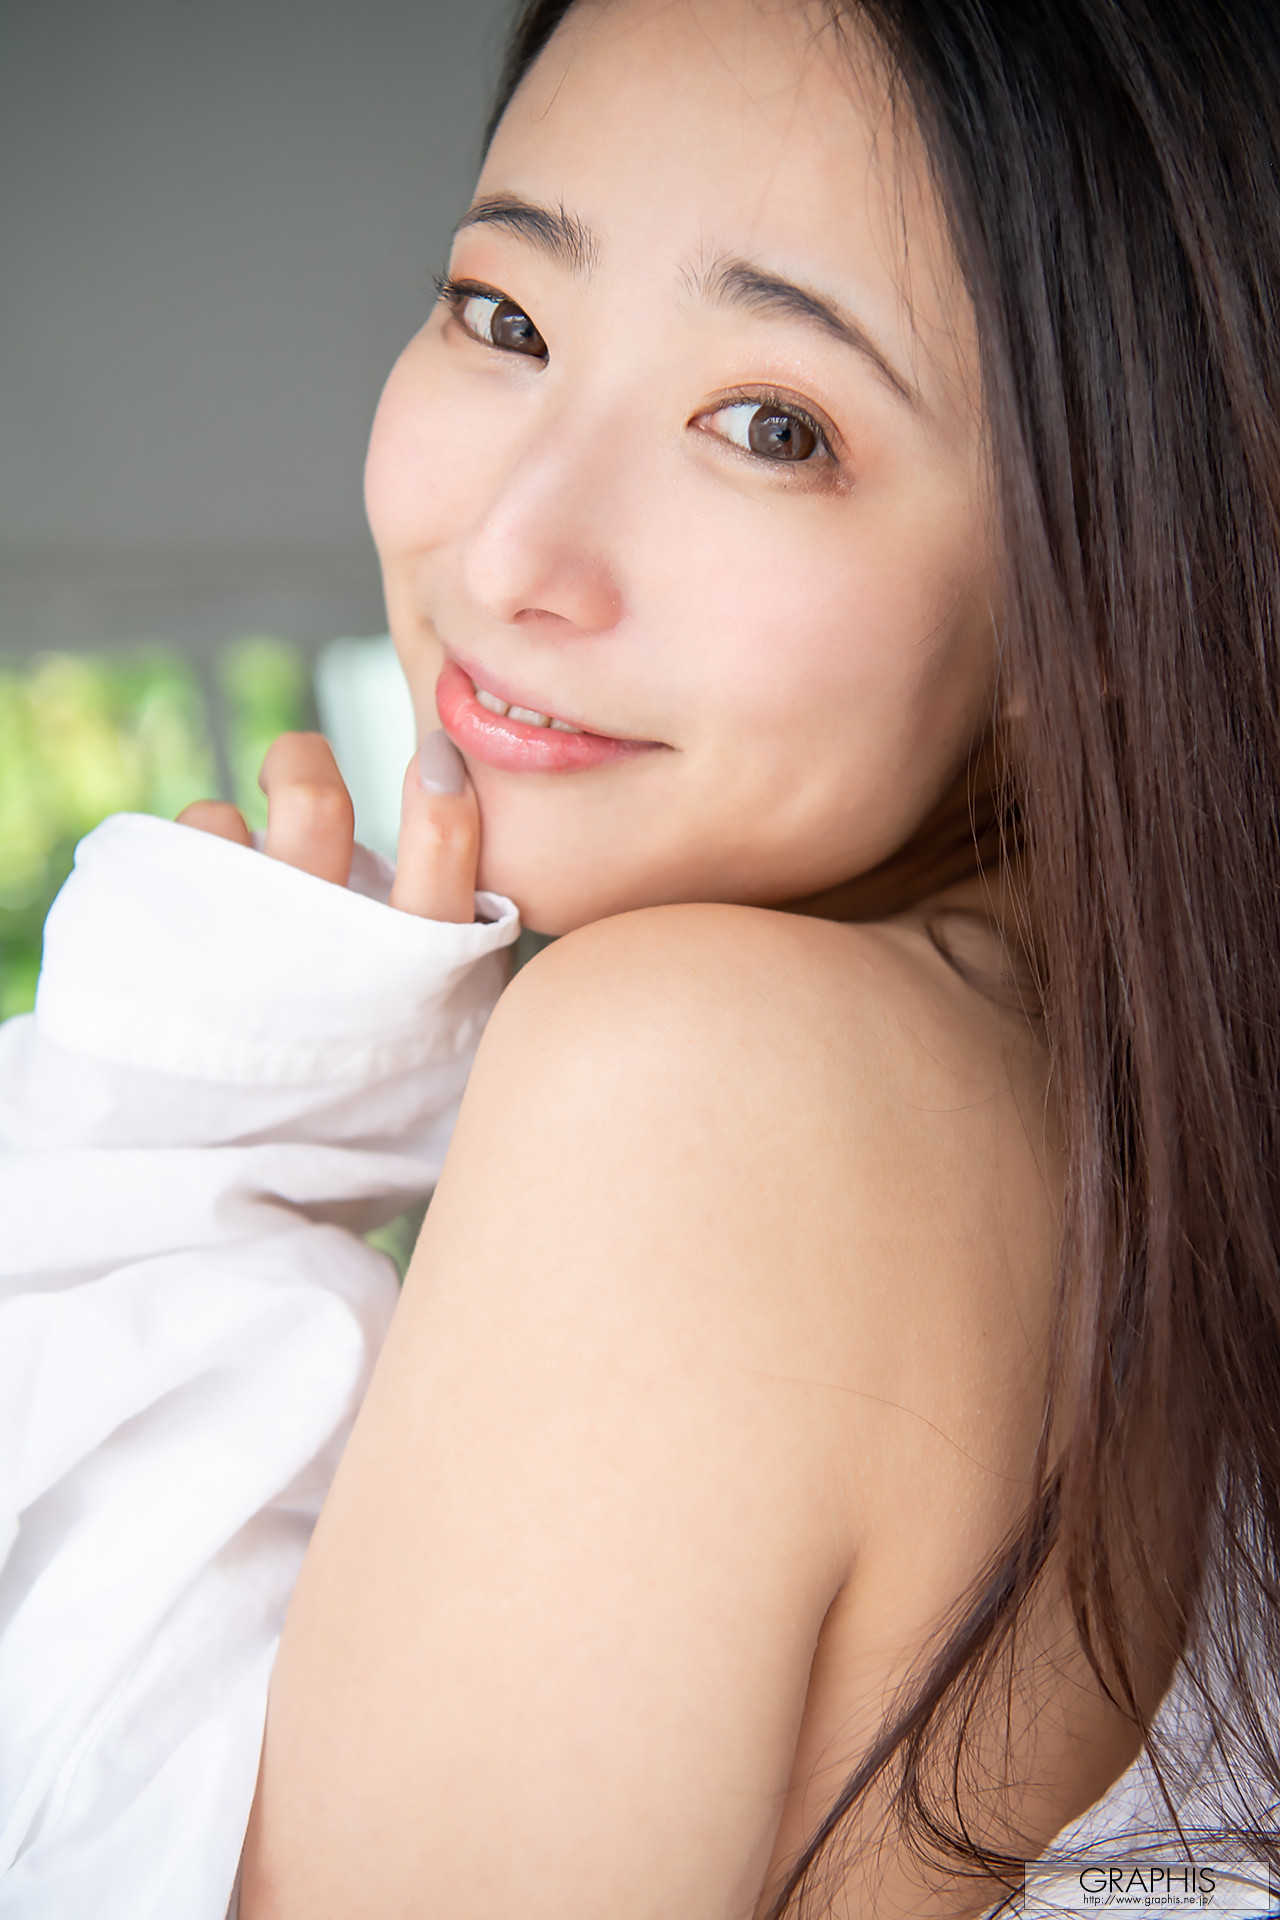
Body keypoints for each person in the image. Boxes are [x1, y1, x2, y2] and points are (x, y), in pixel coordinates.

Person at [1, 0, 1277, 1916]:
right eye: (504, 317)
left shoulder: (698, 1078)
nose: (515, 552)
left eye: (774, 428)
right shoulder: (1109, 1134)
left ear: (1091, 592)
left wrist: (183, 1151)